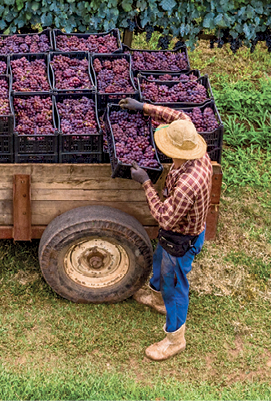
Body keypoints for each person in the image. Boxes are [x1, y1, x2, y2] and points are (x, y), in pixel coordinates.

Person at [119, 96, 213, 361]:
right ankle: (156, 299)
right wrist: (144, 107)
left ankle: (175, 339)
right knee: (160, 261)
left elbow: (165, 218)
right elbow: (176, 116)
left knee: (175, 286)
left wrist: (145, 183)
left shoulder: (189, 184)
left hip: (181, 236)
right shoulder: (191, 140)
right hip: (175, 234)